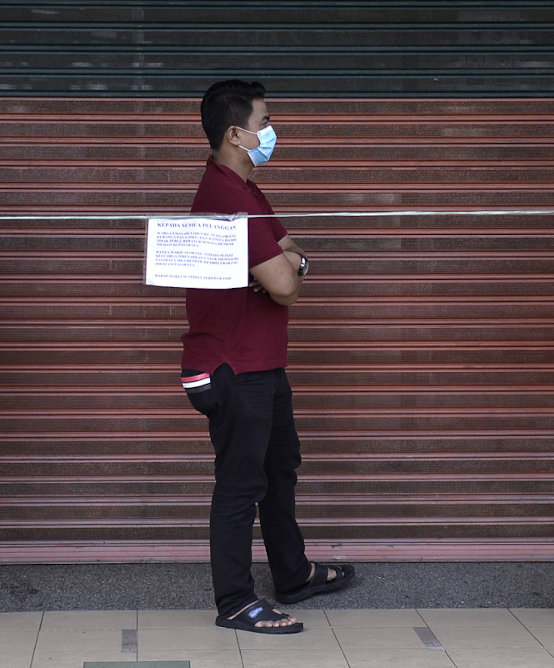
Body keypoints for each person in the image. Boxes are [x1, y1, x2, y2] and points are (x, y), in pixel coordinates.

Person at [180, 80, 355, 635]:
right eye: (265, 121)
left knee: (279, 471)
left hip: (263, 364)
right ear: (236, 133)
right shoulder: (224, 196)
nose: (270, 132)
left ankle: (293, 573)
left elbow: (291, 255)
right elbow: (284, 282)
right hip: (232, 367)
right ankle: (234, 601)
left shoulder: (248, 190)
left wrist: (288, 266)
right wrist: (288, 269)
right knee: (240, 485)